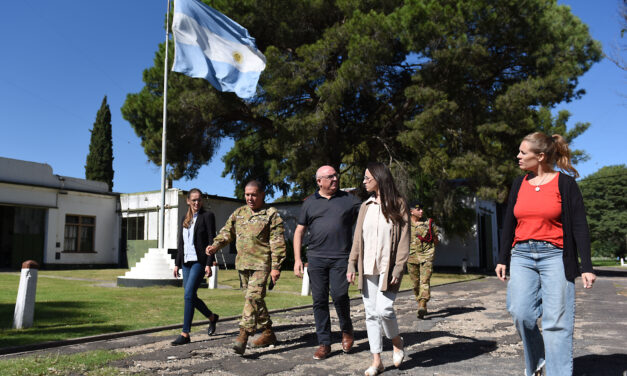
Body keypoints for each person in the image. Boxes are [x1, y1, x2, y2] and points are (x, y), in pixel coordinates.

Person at [495, 132, 596, 376]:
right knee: (521, 312)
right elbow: (509, 222)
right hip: (522, 255)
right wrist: (502, 258)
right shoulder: (520, 183)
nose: (518, 156)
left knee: (557, 322)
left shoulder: (565, 184)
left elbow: (580, 226)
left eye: (523, 152)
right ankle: (539, 360)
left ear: (540, 156)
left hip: (556, 256)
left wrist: (587, 266)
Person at [206, 180, 286, 355]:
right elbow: (227, 232)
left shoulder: (271, 214)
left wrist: (276, 267)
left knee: (251, 299)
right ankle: (268, 333)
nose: (250, 198)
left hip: (261, 264)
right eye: (247, 194)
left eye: (254, 194)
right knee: (255, 300)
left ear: (262, 195)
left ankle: (242, 335)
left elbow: (277, 243)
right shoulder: (239, 213)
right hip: (243, 264)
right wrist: (215, 246)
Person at [293, 165, 362, 360]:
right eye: (330, 177)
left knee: (340, 296)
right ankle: (324, 343)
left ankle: (347, 331)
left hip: (341, 258)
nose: (334, 179)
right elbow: (299, 231)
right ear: (319, 181)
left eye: (335, 175)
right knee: (319, 300)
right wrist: (298, 259)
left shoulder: (349, 200)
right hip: (316, 259)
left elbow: (369, 212)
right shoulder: (309, 203)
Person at [347, 162, 409, 376]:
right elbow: (357, 238)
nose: (364, 182)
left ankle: (397, 341)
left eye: (367, 178)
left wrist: (398, 268)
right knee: (371, 314)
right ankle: (377, 361)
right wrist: (351, 263)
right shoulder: (365, 206)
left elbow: (404, 240)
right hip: (367, 267)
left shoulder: (398, 204)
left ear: (379, 179)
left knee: (384, 310)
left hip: (388, 268)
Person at [171, 188, 220, 346]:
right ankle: (212, 317)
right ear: (188, 201)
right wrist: (177, 264)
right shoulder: (184, 218)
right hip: (186, 262)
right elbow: (181, 242)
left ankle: (185, 333)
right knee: (190, 295)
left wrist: (209, 263)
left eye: (199, 200)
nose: (197, 203)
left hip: (200, 260)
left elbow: (212, 240)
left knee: (188, 295)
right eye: (193, 200)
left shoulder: (207, 216)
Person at [407, 201, 440, 319]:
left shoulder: (429, 223)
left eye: (422, 209)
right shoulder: (404, 224)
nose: (421, 211)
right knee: (415, 284)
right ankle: (420, 302)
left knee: (424, 281)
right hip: (411, 257)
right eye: (418, 209)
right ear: (411, 211)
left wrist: (431, 250)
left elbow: (436, 239)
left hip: (426, 256)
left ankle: (423, 303)